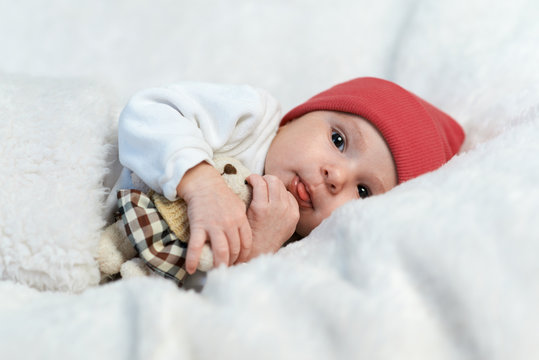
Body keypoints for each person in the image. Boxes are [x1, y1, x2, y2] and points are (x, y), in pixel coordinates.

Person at [108, 77, 465, 276]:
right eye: (338, 140)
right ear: (298, 116)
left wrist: (258, 249)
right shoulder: (251, 120)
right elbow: (147, 111)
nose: (335, 176)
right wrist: (201, 184)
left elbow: (203, 294)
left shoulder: (297, 249)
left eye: (364, 190)